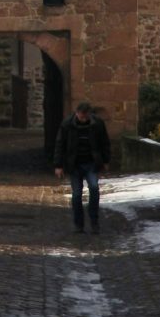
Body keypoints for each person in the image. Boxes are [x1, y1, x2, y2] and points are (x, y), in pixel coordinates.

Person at [53, 101, 111, 235]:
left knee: (94, 188)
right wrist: (58, 165)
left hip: (91, 162)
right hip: (74, 164)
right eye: (81, 116)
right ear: (77, 113)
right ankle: (79, 224)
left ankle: (94, 222)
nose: (84, 119)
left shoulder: (97, 124)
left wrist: (105, 160)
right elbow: (60, 144)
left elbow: (104, 143)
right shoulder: (67, 124)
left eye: (86, 117)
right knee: (77, 194)